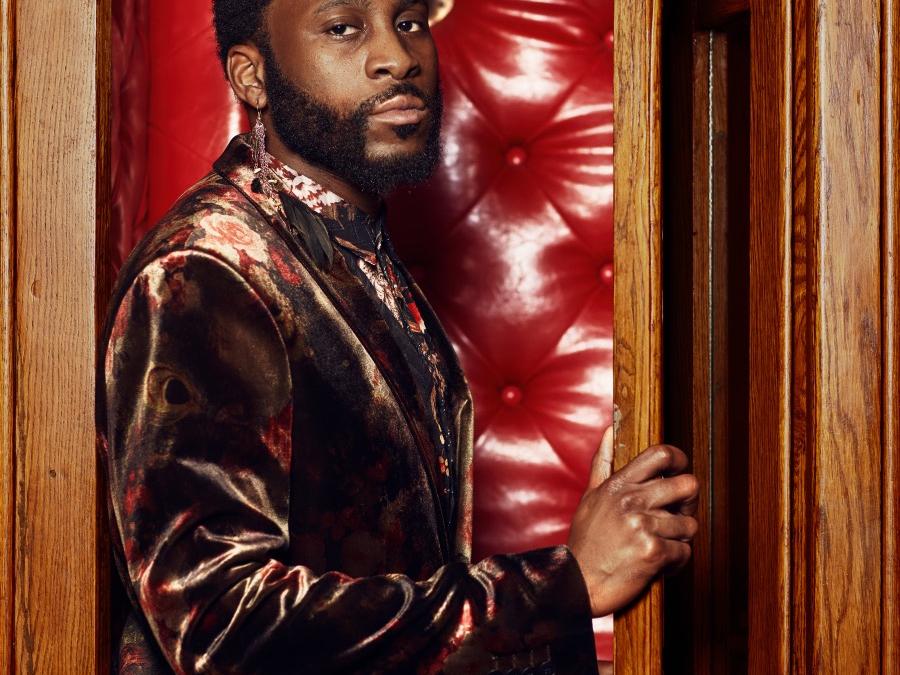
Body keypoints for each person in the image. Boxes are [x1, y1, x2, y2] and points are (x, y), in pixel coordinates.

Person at [97, 0, 700, 672]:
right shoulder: (205, 270)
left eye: (409, 20)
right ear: (252, 76)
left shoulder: (351, 247)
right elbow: (218, 622)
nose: (398, 56)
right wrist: (561, 584)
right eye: (343, 27)